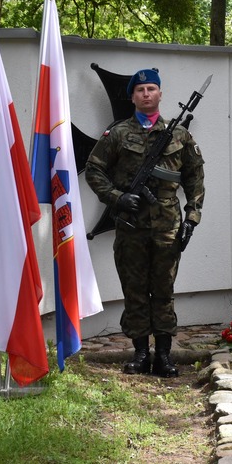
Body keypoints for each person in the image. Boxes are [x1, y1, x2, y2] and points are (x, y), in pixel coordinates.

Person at [85, 67, 205, 377]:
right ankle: (140, 353)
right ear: (133, 96)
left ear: (160, 93)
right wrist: (116, 197)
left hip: (167, 226)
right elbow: (94, 170)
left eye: (151, 88)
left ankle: (163, 355)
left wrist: (192, 216)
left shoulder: (179, 135)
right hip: (130, 227)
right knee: (135, 290)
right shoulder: (119, 133)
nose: (146, 93)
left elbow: (194, 178)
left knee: (163, 290)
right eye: (140, 90)